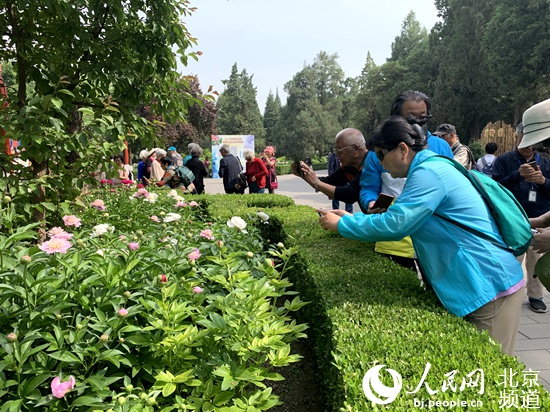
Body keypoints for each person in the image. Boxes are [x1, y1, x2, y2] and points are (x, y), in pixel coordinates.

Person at [319, 116, 524, 356]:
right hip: (480, 282)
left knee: (488, 373)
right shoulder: (431, 167)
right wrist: (349, 218)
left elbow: (396, 224)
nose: (379, 163)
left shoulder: (428, 173)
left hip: (490, 285)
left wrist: (342, 226)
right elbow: (399, 214)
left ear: (402, 149)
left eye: (380, 155)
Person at [359, 90, 454, 270]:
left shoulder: (441, 147)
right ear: (395, 118)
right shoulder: (380, 153)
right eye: (411, 118)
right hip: (395, 241)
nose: (418, 123)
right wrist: (371, 202)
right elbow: (368, 187)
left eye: (423, 118)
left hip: (434, 237)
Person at [493, 108, 550, 314]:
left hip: (540, 216)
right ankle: (508, 294)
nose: (530, 144)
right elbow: (495, 189)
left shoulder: (545, 161)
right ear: (517, 136)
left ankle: (535, 296)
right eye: (525, 137)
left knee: (535, 262)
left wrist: (543, 182)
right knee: (510, 260)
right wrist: (517, 175)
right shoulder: (504, 161)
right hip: (513, 219)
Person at [295, 128, 367, 212]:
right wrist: (305, 174)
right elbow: (330, 181)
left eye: (338, 151)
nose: (336, 156)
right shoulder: (349, 166)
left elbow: (350, 194)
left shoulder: (370, 166)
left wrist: (316, 183)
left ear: (355, 149)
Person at [327, 148, 353, 213]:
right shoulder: (333, 156)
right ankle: (335, 211)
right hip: (337, 179)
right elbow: (330, 168)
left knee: (348, 195)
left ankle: (349, 211)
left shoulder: (347, 155)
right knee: (335, 195)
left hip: (346, 179)